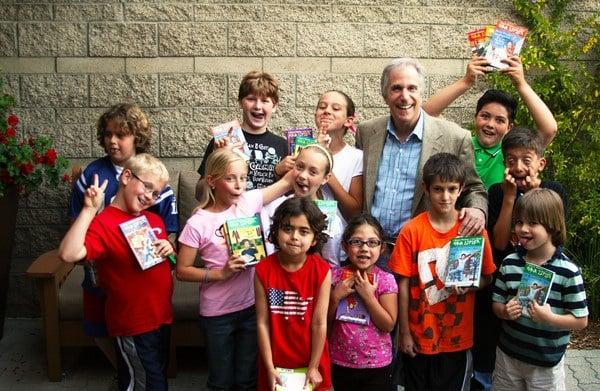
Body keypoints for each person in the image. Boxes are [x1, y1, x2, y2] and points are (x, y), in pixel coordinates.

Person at [69, 103, 178, 371]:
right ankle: (125, 370)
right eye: (108, 135)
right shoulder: (92, 174)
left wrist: (169, 246)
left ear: (136, 138)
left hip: (139, 273)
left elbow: (169, 228)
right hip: (98, 261)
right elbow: (77, 223)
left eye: (121, 135)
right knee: (97, 325)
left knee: (144, 337)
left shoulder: (152, 175)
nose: (113, 141)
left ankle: (132, 372)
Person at [176, 149, 294, 390]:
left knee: (246, 378)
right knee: (221, 381)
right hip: (217, 314)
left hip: (251, 307)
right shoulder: (197, 222)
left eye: (243, 177)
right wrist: (221, 273)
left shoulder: (249, 201)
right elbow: (182, 270)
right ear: (212, 180)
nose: (239, 185)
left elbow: (287, 182)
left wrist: (314, 145)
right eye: (230, 178)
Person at [356, 58, 487, 271]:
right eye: (396, 88)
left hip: (422, 253)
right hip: (372, 254)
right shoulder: (367, 132)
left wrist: (477, 210)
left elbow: (473, 188)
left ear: (421, 93)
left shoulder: (454, 137)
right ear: (385, 94)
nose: (404, 96)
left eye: (412, 88)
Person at [59, 154, 176, 391]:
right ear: (126, 176)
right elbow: (69, 254)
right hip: (132, 323)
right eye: (147, 186)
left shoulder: (153, 219)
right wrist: (89, 210)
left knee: (155, 377)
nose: (149, 196)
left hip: (161, 317)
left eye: (156, 194)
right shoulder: (103, 223)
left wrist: (169, 249)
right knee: (145, 383)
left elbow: (167, 263)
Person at [388, 153, 496, 391]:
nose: (445, 197)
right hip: (419, 335)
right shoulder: (411, 231)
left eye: (451, 189)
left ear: (461, 189)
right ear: (425, 188)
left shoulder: (473, 231)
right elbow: (402, 284)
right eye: (438, 189)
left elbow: (487, 276)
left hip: (456, 337)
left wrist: (470, 285)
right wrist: (404, 333)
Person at [492, 188, 588, 391]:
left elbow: (581, 320)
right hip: (508, 357)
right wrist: (505, 312)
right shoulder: (510, 263)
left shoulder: (568, 272)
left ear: (552, 226)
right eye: (519, 222)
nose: (523, 229)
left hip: (546, 364)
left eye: (532, 223)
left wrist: (549, 318)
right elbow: (496, 304)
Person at [423, 55, 557, 190]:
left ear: (509, 127)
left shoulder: (511, 154)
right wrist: (466, 82)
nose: (490, 124)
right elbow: (426, 114)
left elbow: (549, 129)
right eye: (485, 116)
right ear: (476, 117)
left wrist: (521, 84)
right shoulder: (460, 143)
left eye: (500, 120)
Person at [254, 197, 332, 391]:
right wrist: (269, 367)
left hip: (312, 360)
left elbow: (320, 323)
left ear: (314, 238)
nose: (294, 236)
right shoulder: (263, 269)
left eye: (303, 231)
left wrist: (314, 367)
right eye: (288, 228)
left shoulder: (321, 270)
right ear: (276, 231)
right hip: (275, 362)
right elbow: (262, 322)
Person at [328, 214, 398, 390]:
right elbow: (324, 320)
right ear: (345, 245)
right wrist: (335, 297)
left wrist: (368, 297)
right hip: (340, 361)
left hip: (377, 364)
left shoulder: (385, 280)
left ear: (382, 248)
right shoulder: (335, 277)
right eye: (357, 242)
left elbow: (388, 325)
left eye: (372, 242)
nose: (364, 248)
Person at [197, 70, 289, 192]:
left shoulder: (282, 145)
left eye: (265, 100)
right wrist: (217, 160)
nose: (258, 106)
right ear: (241, 102)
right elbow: (199, 193)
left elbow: (292, 195)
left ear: (274, 106)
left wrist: (280, 174)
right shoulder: (222, 141)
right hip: (231, 210)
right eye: (251, 99)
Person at [260, 144, 344, 266]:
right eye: (299, 167)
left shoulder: (332, 221)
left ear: (326, 178)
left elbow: (332, 265)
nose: (303, 176)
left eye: (313, 172)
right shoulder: (272, 208)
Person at [314, 90, 364, 223]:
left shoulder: (356, 157)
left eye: (335, 108)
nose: (327, 111)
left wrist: (325, 167)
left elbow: (354, 212)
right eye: (322, 107)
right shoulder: (302, 151)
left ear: (349, 121)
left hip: (338, 239)